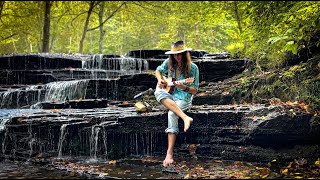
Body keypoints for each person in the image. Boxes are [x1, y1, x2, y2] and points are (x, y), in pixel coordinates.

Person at [154, 40, 199, 167]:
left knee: (171, 114)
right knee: (158, 92)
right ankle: (185, 117)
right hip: (170, 95)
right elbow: (157, 70)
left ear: (185, 54)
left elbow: (195, 90)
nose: (177, 57)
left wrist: (184, 87)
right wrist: (160, 80)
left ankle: (169, 154)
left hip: (184, 98)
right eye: (175, 54)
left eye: (180, 54)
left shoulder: (193, 68)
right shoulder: (169, 63)